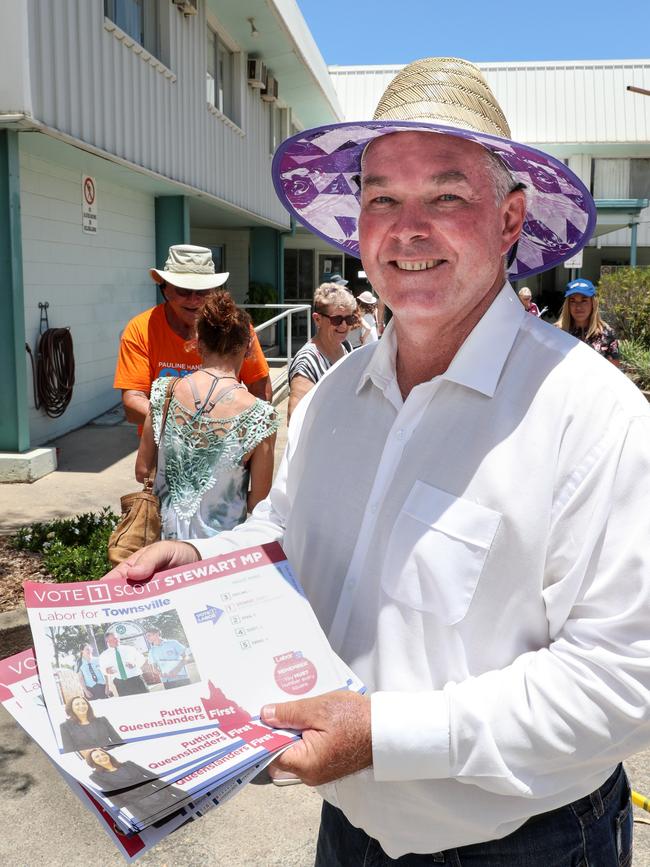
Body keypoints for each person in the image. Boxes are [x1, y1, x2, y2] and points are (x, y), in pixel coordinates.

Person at [106, 57, 650, 865]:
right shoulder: (331, 397)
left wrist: (382, 735)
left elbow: (622, 685)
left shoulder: (593, 415)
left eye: (447, 195)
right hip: (347, 831)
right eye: (382, 198)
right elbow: (284, 533)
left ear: (508, 221)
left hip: (522, 844)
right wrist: (197, 559)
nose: (407, 228)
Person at [134, 290, 278, 539]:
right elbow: (259, 500)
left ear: (198, 342)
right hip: (217, 555)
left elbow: (143, 469)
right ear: (247, 348)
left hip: (161, 546)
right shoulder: (260, 417)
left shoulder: (163, 392)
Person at [113, 244, 272, 433]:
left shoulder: (236, 328)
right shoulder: (140, 329)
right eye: (183, 290)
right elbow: (132, 403)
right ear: (165, 289)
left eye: (202, 291)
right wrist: (194, 424)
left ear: (214, 291)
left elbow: (261, 391)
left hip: (224, 447)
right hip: (161, 451)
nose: (193, 299)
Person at [287, 282, 357, 419]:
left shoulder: (346, 347)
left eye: (349, 319)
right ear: (317, 319)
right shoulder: (307, 362)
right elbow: (296, 420)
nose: (344, 325)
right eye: (337, 319)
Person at [85, 748, 185, 822]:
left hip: (166, 798)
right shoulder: (96, 777)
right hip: (147, 809)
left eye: (103, 754)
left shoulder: (129, 764)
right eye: (97, 757)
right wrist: (143, 818)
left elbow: (155, 780)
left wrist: (182, 794)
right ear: (92, 762)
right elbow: (117, 800)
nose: (102, 757)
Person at [556, 278, 620, 365]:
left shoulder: (607, 334)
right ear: (568, 305)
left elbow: (613, 372)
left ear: (593, 303)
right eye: (573, 301)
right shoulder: (557, 332)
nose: (578, 307)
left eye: (584, 301)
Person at [59, 695, 124, 753]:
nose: (81, 706)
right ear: (71, 708)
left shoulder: (102, 720)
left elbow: (118, 741)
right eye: (77, 704)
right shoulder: (65, 727)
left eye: (84, 703)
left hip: (112, 754)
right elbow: (69, 751)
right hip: (88, 761)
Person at [99, 632, 148, 696]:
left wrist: (134, 664)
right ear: (107, 642)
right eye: (111, 640)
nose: (114, 641)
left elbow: (141, 659)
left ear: (118, 638)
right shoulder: (104, 655)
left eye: (115, 638)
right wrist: (107, 670)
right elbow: (102, 669)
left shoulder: (129, 648)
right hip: (120, 683)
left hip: (136, 679)